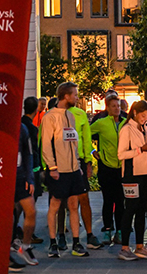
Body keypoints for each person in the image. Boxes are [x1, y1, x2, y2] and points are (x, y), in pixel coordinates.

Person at [41, 82, 89, 258]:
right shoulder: (50, 117)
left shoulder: (71, 116)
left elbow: (73, 142)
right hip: (58, 169)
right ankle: (53, 243)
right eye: (75, 94)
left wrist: (77, 164)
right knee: (55, 204)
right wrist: (52, 167)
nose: (77, 97)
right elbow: (46, 144)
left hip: (73, 169)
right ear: (66, 96)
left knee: (73, 204)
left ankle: (76, 242)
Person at [117, 100, 147, 261]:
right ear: (134, 113)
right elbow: (121, 154)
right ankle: (125, 247)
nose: (145, 119)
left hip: (146, 174)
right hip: (131, 174)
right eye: (143, 116)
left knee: (143, 209)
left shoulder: (145, 129)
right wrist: (140, 149)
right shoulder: (127, 129)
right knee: (131, 209)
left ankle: (140, 246)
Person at [90, 94, 125, 246]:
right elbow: (84, 135)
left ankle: (119, 231)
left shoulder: (125, 123)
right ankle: (107, 230)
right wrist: (92, 151)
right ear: (107, 107)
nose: (116, 108)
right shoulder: (101, 122)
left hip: (122, 167)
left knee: (120, 201)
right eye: (113, 106)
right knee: (108, 200)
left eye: (118, 106)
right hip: (106, 166)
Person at [67, 102, 102, 250]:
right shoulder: (54, 114)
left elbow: (86, 139)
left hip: (79, 160)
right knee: (65, 201)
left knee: (83, 198)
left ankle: (89, 235)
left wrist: (88, 161)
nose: (76, 97)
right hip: (62, 161)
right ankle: (61, 235)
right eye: (74, 94)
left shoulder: (80, 113)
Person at [13, 122, 38, 266]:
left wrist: (30, 177)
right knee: (10, 215)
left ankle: (26, 246)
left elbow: (28, 154)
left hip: (20, 177)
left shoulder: (22, 128)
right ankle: (8, 245)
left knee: (31, 211)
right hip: (3, 177)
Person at [21, 97, 43, 243]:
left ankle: (17, 232)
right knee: (30, 205)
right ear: (36, 109)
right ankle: (28, 236)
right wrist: (39, 168)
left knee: (18, 204)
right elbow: (34, 150)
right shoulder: (32, 129)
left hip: (19, 169)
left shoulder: (20, 124)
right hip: (31, 168)